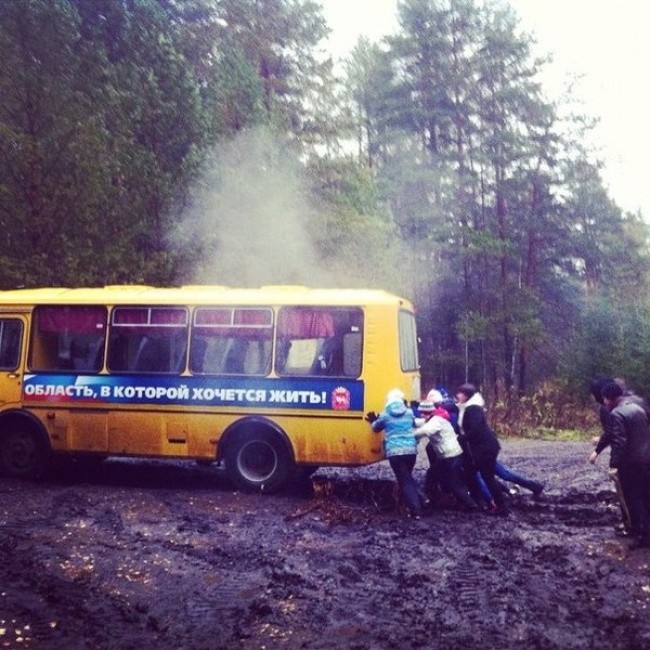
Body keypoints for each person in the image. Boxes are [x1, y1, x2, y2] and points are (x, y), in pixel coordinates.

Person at [601, 381, 650, 549]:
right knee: (646, 498)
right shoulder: (638, 409)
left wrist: (614, 464)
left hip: (631, 464)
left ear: (611, 398)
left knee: (632, 499)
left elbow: (619, 442)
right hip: (646, 460)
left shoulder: (617, 414)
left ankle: (640, 536)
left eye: (605, 399)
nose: (605, 403)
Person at [366, 389, 425, 519]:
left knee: (404, 481)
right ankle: (421, 498)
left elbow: (376, 428)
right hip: (411, 451)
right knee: (407, 477)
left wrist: (373, 421)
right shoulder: (409, 413)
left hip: (395, 453)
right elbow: (414, 424)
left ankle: (416, 511)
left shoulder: (385, 414)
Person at [414, 398, 478, 511]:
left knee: (452, 482)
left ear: (428, 412)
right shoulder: (432, 418)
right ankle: (434, 499)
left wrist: (407, 436)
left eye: (423, 413)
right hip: (448, 455)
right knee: (432, 474)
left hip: (451, 455)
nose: (422, 415)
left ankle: (471, 505)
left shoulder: (436, 421)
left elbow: (424, 431)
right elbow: (418, 422)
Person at [455, 383, 509, 516]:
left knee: (487, 477)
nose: (457, 395)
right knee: (472, 474)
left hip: (485, 448)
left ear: (466, 395)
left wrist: (461, 438)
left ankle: (500, 506)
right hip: (483, 447)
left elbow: (475, 429)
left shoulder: (472, 409)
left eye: (460, 393)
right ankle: (484, 501)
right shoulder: (468, 406)